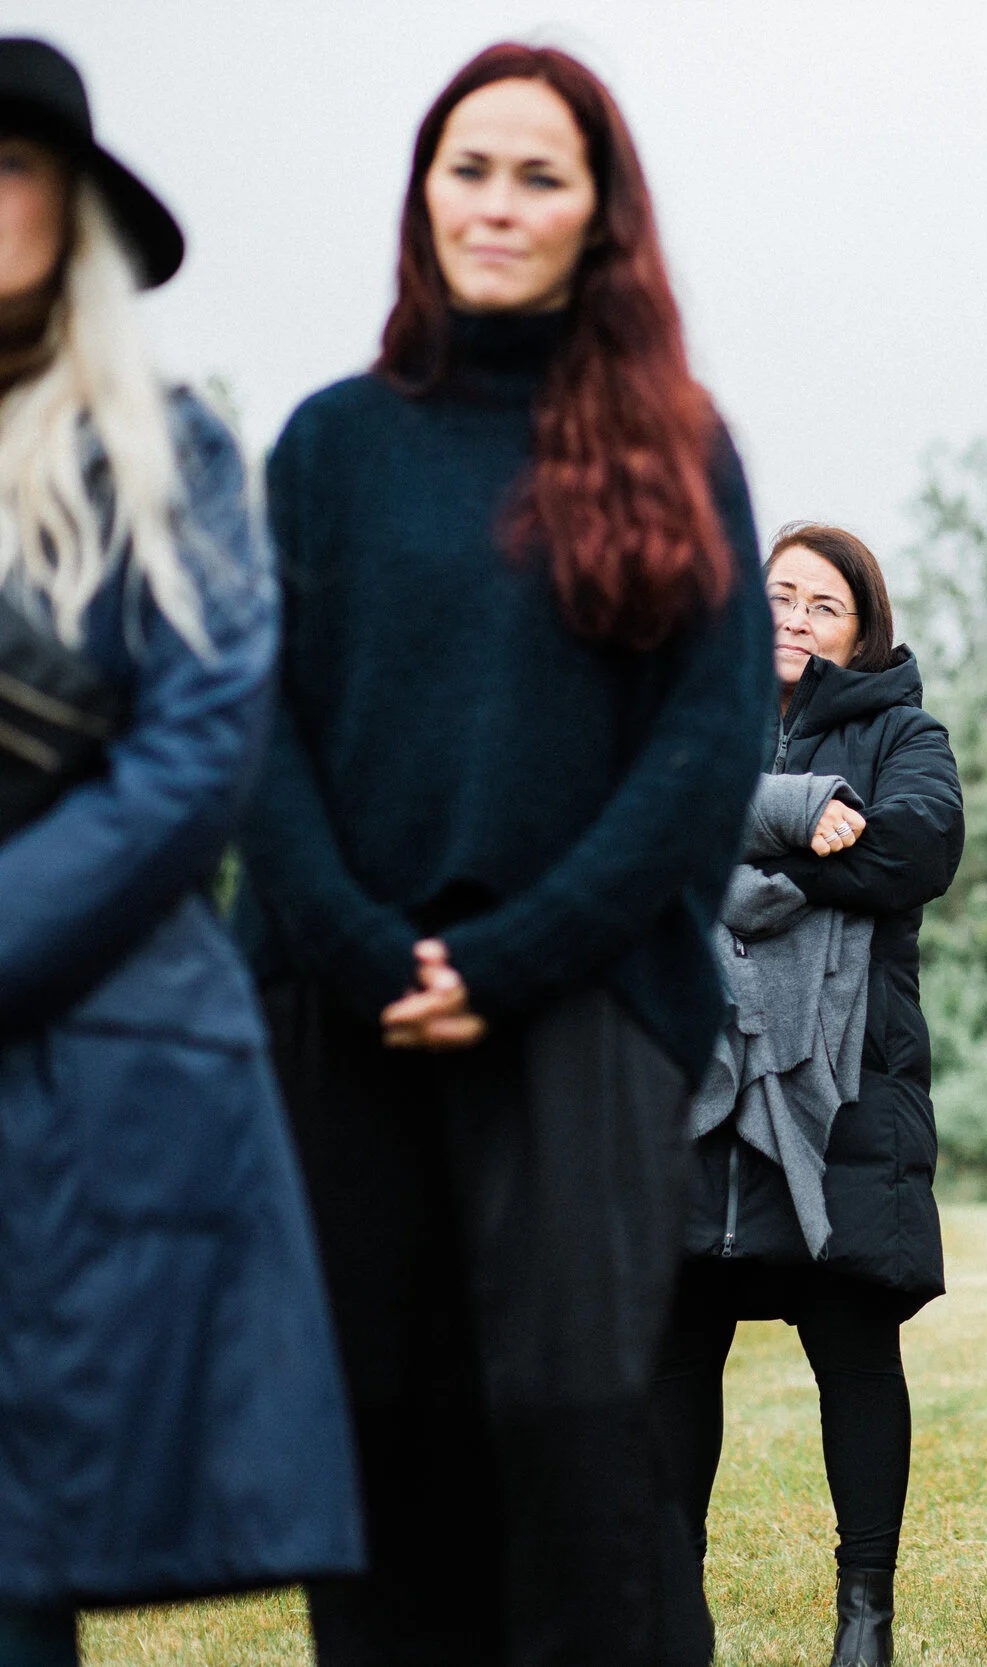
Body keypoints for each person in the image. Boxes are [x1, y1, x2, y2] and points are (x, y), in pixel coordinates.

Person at [234, 43, 773, 1667]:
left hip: (583, 1009)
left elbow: (703, 747)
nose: (497, 203)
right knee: (379, 1452)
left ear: (599, 212)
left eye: (541, 175)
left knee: (574, 1446)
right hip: (343, 1009)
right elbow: (259, 727)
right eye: (468, 168)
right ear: (424, 192)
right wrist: (359, 945)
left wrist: (508, 955)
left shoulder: (677, 443)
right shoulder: (329, 445)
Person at [0, 39, 363, 1666]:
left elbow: (195, 758)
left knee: (18, 1562)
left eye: (9, 163)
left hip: (79, 1073)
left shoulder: (170, 450)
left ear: (72, 213)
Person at [654, 524, 963, 1667]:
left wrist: (727, 865)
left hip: (846, 1089)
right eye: (777, 592)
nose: (793, 615)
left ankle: (864, 1618)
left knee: (856, 1348)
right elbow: (634, 828)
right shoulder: (683, 714)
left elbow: (915, 849)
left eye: (823, 603)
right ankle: (672, 1614)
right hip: (693, 1077)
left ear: (862, 631)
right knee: (676, 1352)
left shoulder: (903, 733)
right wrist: (793, 819)